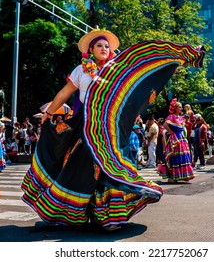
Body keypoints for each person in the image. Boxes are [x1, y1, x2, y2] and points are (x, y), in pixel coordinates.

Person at [21, 29, 164, 231]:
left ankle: (110, 216)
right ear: (91, 49)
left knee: (111, 165)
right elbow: (64, 92)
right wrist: (49, 112)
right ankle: (77, 212)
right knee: (84, 165)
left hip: (111, 127)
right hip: (86, 124)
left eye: (107, 46)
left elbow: (133, 94)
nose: (104, 49)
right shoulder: (81, 70)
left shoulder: (117, 70)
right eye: (99, 45)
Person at [157, 99, 195, 183]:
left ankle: (183, 175)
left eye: (181, 107)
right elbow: (165, 124)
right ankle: (173, 176)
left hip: (181, 137)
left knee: (184, 155)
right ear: (175, 108)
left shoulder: (180, 117)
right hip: (174, 138)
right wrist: (170, 132)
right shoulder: (171, 116)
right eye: (179, 107)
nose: (181, 109)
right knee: (174, 155)